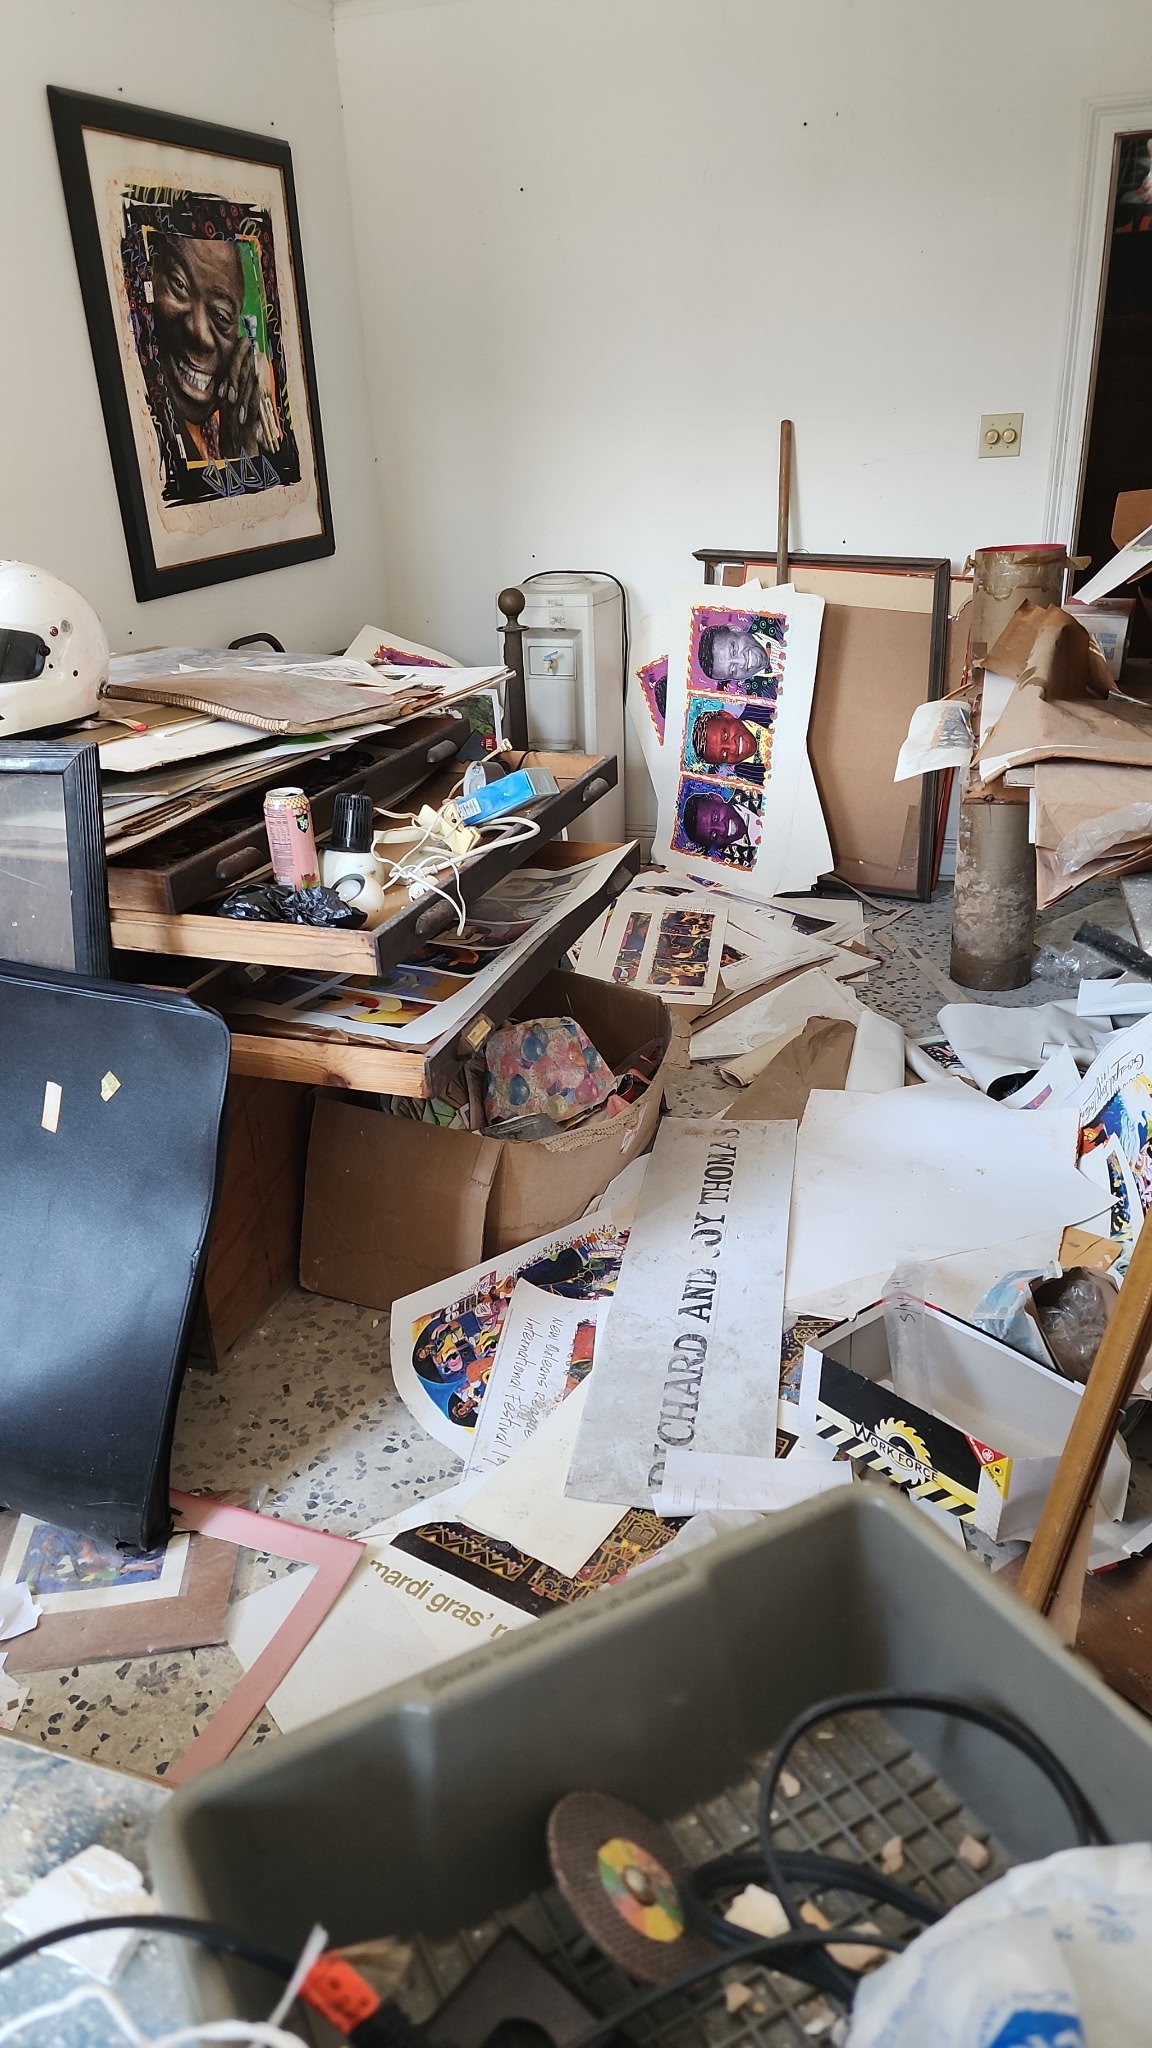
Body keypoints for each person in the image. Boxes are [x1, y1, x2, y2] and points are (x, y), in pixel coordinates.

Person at [150, 233, 280, 463]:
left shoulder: (221, 426)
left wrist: (241, 453)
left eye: (221, 315)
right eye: (180, 285)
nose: (200, 333)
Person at [690, 703, 776, 784]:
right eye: (724, 755)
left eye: (725, 736)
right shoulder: (750, 782)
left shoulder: (764, 705)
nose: (733, 747)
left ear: (727, 715)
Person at [696, 617, 784, 690]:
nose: (743, 661)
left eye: (734, 650)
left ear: (735, 629)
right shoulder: (763, 700)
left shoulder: (776, 618)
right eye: (733, 670)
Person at [680, 789, 761, 859]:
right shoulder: (736, 861)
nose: (723, 828)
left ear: (717, 798)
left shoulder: (753, 790)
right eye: (713, 836)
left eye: (715, 817)